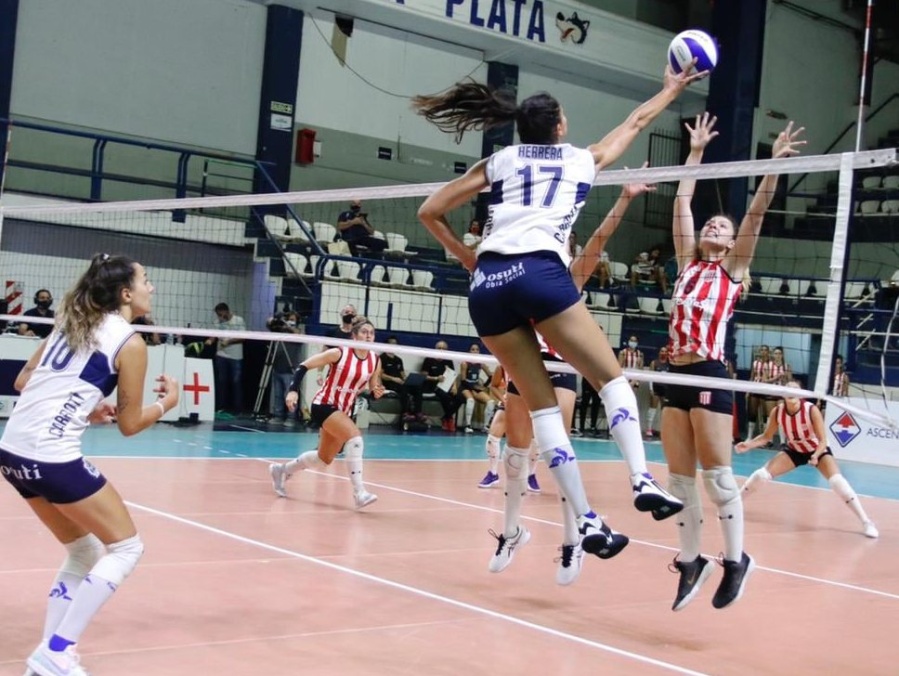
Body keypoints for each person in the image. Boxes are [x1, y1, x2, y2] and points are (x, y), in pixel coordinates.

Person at [414, 68, 699, 560]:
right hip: (540, 273)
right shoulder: (579, 159)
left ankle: (587, 517)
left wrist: (467, 256)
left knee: (543, 408)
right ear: (560, 127)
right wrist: (673, 89)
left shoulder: (498, 160)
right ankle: (640, 477)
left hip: (487, 288)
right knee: (613, 383)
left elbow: (428, 210)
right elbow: (634, 123)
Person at [0, 253, 180, 676]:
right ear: (124, 293)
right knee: (127, 547)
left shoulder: (70, 322)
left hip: (11, 452)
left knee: (82, 550)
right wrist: (166, 403)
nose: (150, 288)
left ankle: (48, 653)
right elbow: (131, 425)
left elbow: (24, 381)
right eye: (146, 280)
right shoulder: (129, 342)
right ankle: (59, 648)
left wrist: (86, 409)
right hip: (50, 457)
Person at [661, 113, 805, 611]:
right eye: (711, 223)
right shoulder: (685, 263)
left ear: (730, 241)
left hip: (709, 373)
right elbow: (682, 199)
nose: (713, 226)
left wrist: (772, 167)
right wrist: (696, 153)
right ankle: (690, 561)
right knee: (679, 480)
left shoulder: (734, 270)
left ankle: (736, 559)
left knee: (717, 476)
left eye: (721, 225)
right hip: (671, 374)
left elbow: (757, 215)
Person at [485, 180, 658, 584]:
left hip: (559, 366)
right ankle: (512, 532)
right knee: (515, 456)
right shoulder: (511, 265)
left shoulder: (563, 276)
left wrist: (624, 198)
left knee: (555, 453)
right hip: (521, 367)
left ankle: (572, 540)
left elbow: (597, 243)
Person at [736, 380, 878, 539]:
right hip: (794, 450)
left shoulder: (811, 410)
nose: (791, 393)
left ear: (801, 394)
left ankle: (866, 522)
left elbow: (823, 440)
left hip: (817, 449)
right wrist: (748, 445)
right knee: (761, 475)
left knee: (837, 482)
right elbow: (766, 437)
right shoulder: (778, 411)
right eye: (788, 390)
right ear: (783, 394)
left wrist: (816, 456)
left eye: (795, 390)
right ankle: (735, 504)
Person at [269, 316, 384, 509]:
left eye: (371, 333)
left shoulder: (375, 360)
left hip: (344, 410)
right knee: (355, 438)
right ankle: (359, 493)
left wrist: (376, 392)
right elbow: (302, 366)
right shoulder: (339, 353)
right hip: (324, 405)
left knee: (324, 459)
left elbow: (372, 389)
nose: (368, 336)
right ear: (354, 336)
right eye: (364, 332)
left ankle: (281, 470)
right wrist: (292, 390)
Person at [205, 302, 245, 416]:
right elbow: (214, 335)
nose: (220, 317)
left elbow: (243, 337)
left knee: (236, 382)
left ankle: (238, 410)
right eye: (218, 315)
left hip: (235, 356)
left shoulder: (238, 320)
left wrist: (229, 341)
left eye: (221, 314)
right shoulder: (217, 322)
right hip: (221, 355)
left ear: (227, 311)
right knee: (221, 382)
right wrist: (210, 340)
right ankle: (220, 407)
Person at [420, 340, 462, 431]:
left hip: (446, 386)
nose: (441, 350)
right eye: (439, 348)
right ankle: (449, 418)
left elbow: (453, 375)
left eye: (443, 348)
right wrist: (436, 378)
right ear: (435, 349)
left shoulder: (448, 360)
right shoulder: (429, 359)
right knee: (445, 397)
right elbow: (423, 376)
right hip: (432, 386)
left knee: (460, 397)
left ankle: (446, 417)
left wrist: (454, 386)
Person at [458, 342, 497, 433]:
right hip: (465, 387)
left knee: (491, 402)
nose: (475, 351)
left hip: (475, 387)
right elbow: (463, 380)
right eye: (473, 349)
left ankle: (485, 426)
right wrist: (475, 389)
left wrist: (483, 387)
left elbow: (490, 376)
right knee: (470, 400)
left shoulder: (481, 364)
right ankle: (468, 425)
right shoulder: (464, 363)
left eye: (477, 349)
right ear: (469, 351)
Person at [746, 345, 771, 440]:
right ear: (760, 352)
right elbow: (752, 377)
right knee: (752, 412)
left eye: (765, 350)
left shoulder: (771, 364)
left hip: (765, 389)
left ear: (768, 352)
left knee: (765, 414)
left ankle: (764, 438)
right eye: (762, 350)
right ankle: (749, 437)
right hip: (755, 388)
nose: (763, 352)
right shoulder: (755, 363)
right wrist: (748, 390)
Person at [646, 345, 670, 438]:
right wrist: (651, 389)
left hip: (666, 390)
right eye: (662, 351)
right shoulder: (654, 363)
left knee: (664, 411)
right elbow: (650, 377)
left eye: (665, 351)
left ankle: (663, 430)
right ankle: (649, 429)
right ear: (659, 352)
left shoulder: (669, 364)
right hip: (656, 388)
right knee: (652, 408)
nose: (663, 353)